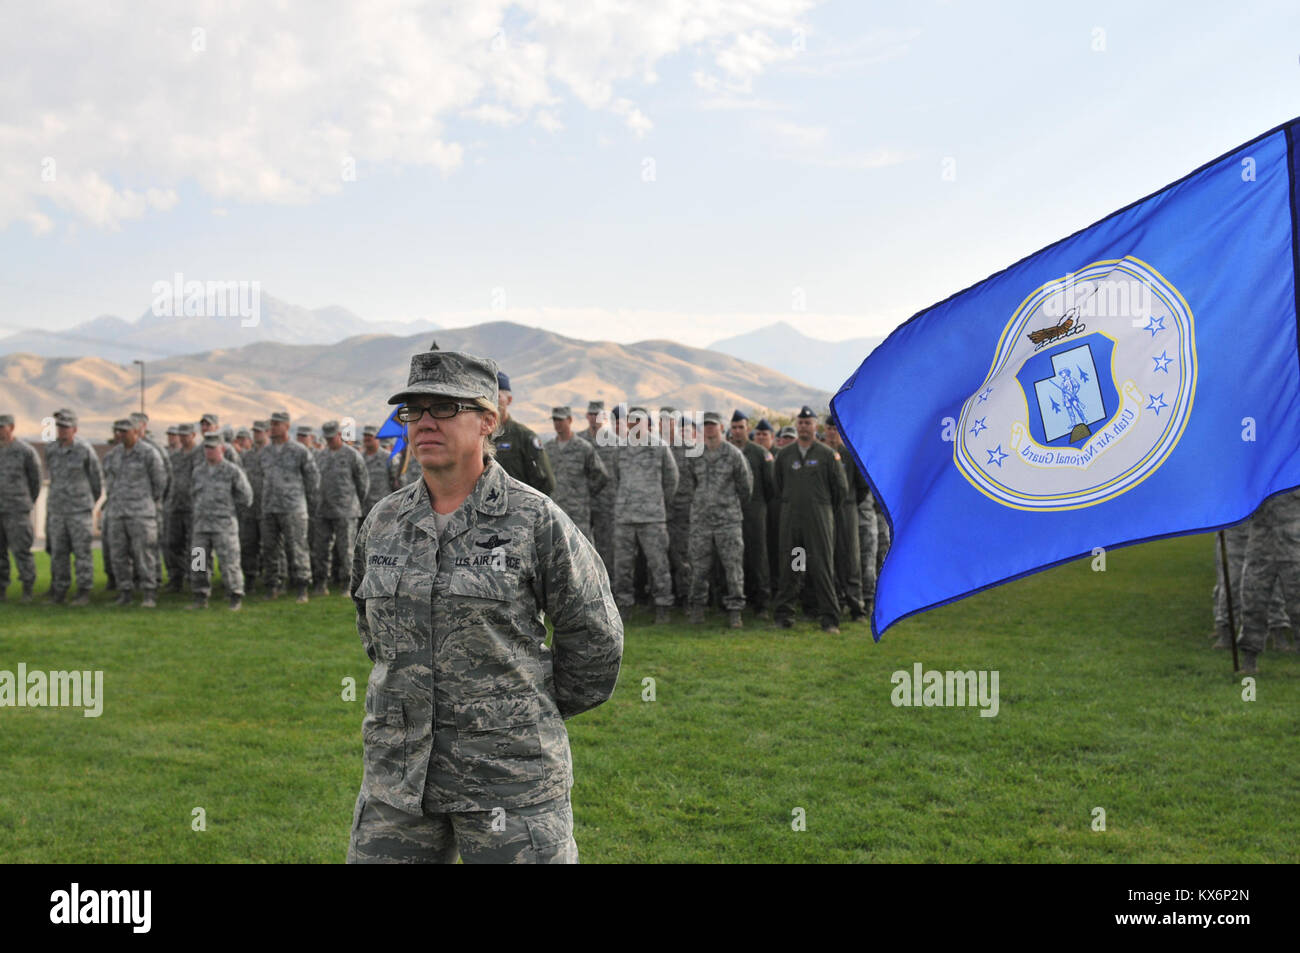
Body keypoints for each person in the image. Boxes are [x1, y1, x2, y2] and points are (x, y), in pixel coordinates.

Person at [347, 349, 622, 865]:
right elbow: (372, 630)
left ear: (488, 421)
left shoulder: (534, 519)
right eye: (414, 409)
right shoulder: (383, 521)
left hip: (509, 783)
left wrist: (523, 711)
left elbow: (595, 636)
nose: (425, 421)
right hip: (399, 781)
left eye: (445, 408)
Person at [773, 406, 847, 633]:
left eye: (808, 423)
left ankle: (829, 619)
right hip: (793, 521)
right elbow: (778, 486)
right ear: (797, 426)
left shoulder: (827, 455)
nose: (804, 427)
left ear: (816, 427)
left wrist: (822, 508)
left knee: (822, 567)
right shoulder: (785, 455)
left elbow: (840, 490)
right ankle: (785, 615)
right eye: (801, 423)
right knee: (793, 566)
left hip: (819, 521)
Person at [681, 411, 752, 628]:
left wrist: (728, 507)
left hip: (727, 521)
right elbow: (689, 485)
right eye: (706, 425)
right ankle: (697, 609)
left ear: (721, 427)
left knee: (733, 568)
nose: (710, 428)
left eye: (713, 425)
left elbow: (746, 488)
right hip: (701, 521)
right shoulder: (695, 454)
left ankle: (735, 612)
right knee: (698, 567)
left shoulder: (733, 454)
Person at [611, 406, 679, 623]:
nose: (635, 424)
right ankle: (624, 606)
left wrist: (657, 501)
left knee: (658, 564)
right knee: (622, 565)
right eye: (631, 420)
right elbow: (615, 478)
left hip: (652, 516)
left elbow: (672, 478)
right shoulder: (619, 448)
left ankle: (663, 606)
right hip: (625, 517)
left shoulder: (659, 447)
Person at [103, 418, 167, 607]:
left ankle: (149, 592)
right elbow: (108, 480)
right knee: (118, 554)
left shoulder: (149, 453)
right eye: (118, 431)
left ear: (136, 432)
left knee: (144, 554)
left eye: (125, 431)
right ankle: (125, 592)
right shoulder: (113, 455)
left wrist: (147, 501)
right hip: (117, 513)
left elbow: (160, 482)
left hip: (141, 513)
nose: (120, 435)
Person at [259, 411, 320, 602]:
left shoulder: (299, 450)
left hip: (293, 506)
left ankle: (302, 587)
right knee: (270, 549)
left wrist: (308, 502)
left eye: (276, 424)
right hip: (269, 506)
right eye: (271, 424)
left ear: (286, 426)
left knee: (297, 548)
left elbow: (312, 478)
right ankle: (274, 586)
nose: (272, 427)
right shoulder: (265, 452)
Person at [189, 433, 254, 610]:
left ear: (222, 449)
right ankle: (200, 596)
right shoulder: (198, 471)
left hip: (223, 525)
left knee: (229, 562)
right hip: (201, 525)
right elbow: (193, 495)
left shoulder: (232, 471)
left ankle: (235, 596)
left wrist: (229, 512)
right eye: (206, 448)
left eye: (212, 448)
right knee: (199, 561)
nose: (208, 451)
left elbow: (246, 498)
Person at [45, 409, 103, 605]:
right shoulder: (51, 450)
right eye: (59, 427)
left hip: (79, 511)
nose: (62, 431)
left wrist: (87, 503)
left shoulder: (84, 449)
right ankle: (59, 592)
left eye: (66, 427)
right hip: (57, 511)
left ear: (75, 429)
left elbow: (96, 480)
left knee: (82, 553)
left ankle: (83, 592)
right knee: (58, 554)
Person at [823, 414, 871, 622]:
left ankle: (856, 607)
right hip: (825, 512)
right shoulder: (822, 453)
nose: (832, 433)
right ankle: (836, 602)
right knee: (828, 558)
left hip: (847, 511)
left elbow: (862, 486)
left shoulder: (850, 454)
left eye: (835, 429)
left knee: (851, 559)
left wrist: (849, 503)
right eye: (829, 429)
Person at [313, 420, 369, 595]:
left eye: (332, 437)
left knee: (346, 549)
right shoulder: (321, 456)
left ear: (340, 434)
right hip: (324, 508)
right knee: (321, 548)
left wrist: (355, 503)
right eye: (327, 438)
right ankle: (322, 582)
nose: (329, 441)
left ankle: (347, 583)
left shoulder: (352, 455)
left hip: (346, 509)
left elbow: (362, 483)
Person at [729, 410, 775, 615]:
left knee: (758, 556)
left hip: (755, 511)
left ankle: (762, 602)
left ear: (748, 429)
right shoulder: (726, 451)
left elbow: (771, 486)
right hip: (730, 511)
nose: (738, 431)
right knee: (733, 557)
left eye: (741, 427)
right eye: (735, 427)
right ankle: (736, 598)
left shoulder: (759, 453)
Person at [548, 406, 608, 541]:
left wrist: (583, 493)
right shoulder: (549, 448)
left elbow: (601, 475)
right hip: (556, 509)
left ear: (569, 420)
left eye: (560, 420)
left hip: (578, 512)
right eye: (555, 420)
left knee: (582, 548)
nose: (557, 424)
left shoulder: (583, 447)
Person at [0, 414, 43, 602]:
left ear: (11, 428)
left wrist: (26, 502)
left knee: (21, 551)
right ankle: (1, 590)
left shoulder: (25, 451)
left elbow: (36, 480)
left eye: (2, 427)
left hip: (17, 510)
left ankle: (27, 588)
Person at [492, 371, 556, 495]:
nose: (493, 402)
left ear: (509, 400)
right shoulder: (478, 436)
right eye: (489, 397)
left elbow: (546, 483)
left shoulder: (524, 437)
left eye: (497, 396)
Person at [660, 407, 693, 605]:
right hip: (658, 512)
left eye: (669, 421)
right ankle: (662, 599)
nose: (665, 425)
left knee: (683, 556)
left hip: (682, 510)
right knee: (660, 558)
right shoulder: (653, 447)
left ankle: (686, 598)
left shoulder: (690, 449)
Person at [582, 400, 617, 574]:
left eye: (598, 415)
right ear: (587, 416)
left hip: (607, 502)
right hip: (583, 502)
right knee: (582, 544)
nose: (595, 418)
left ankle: (610, 583)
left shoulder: (615, 442)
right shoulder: (579, 440)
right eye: (592, 414)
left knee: (607, 545)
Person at [163, 423, 198, 592]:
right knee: (173, 544)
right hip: (175, 506)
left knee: (198, 546)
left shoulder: (200, 455)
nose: (183, 438)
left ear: (193, 435)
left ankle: (198, 579)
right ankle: (176, 578)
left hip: (195, 507)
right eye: (181, 435)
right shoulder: (174, 457)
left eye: (186, 435)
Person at [361, 424, 394, 518]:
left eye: (370, 436)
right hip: (363, 509)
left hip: (384, 509)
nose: (367, 438)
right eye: (365, 436)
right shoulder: (358, 458)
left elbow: (397, 483)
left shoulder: (388, 458)